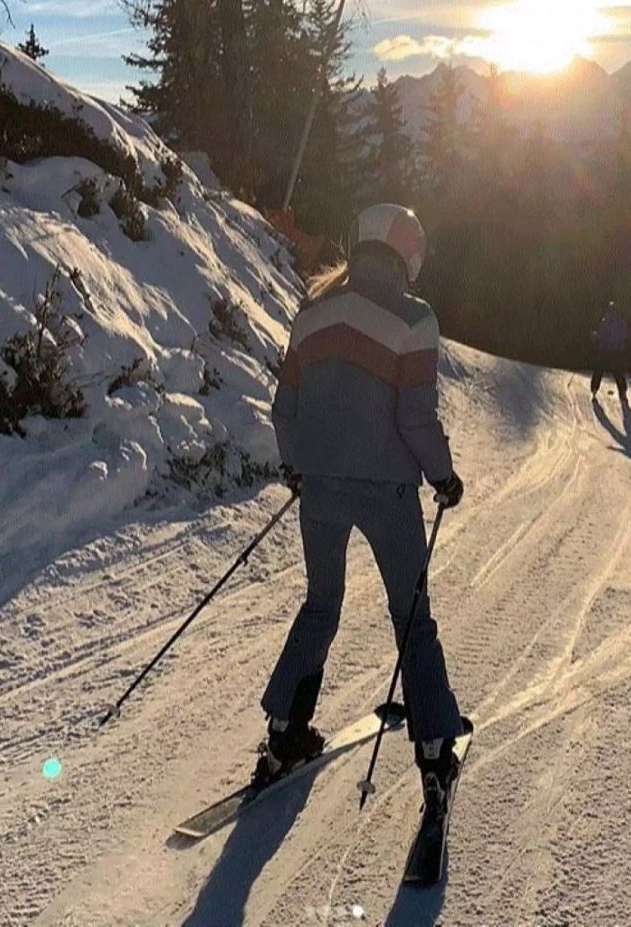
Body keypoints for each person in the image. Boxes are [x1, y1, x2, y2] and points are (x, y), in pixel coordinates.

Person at [258, 203, 466, 814]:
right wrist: (444, 475)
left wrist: (296, 463)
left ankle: (283, 734)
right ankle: (434, 754)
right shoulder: (415, 318)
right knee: (411, 621)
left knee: (321, 605)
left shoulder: (312, 311)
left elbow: (285, 407)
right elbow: (415, 417)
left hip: (320, 487)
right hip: (388, 495)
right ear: (409, 254)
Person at [591, 301, 629, 401]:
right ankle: (623, 392)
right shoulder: (622, 323)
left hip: (605, 350)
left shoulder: (605, 321)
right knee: (618, 372)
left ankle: (594, 389)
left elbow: (601, 335)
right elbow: (625, 336)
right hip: (617, 351)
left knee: (599, 370)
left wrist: (595, 336)